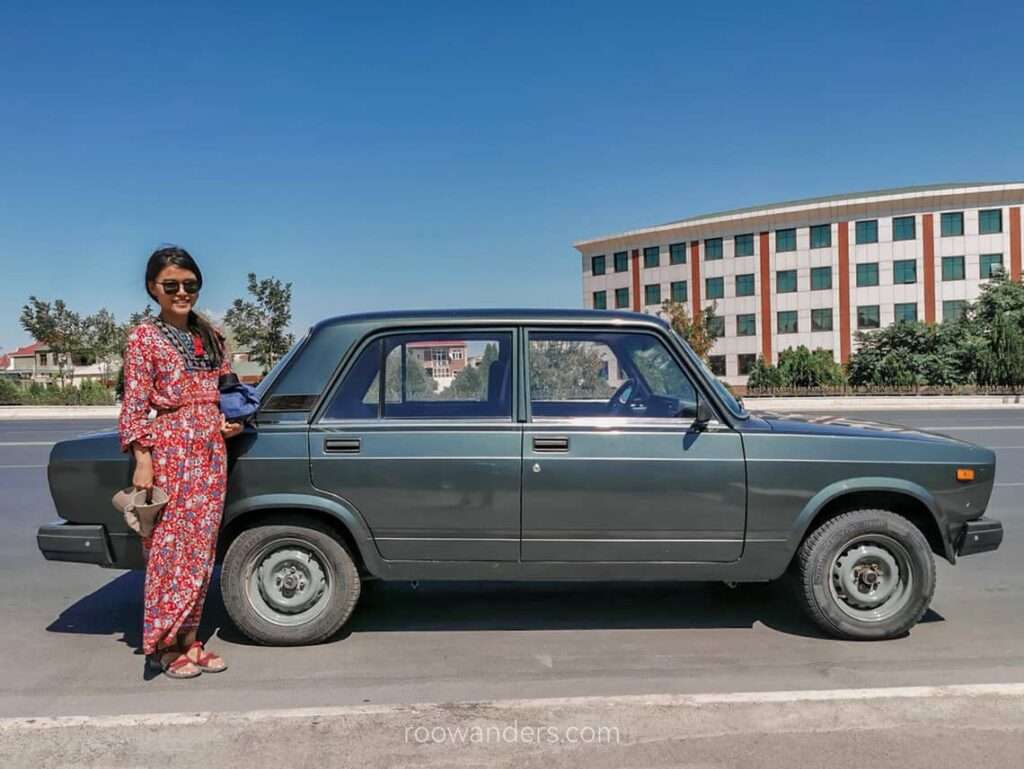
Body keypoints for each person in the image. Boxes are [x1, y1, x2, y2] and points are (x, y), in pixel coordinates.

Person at [118, 245, 245, 679]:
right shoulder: (144, 338)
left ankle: (191, 640)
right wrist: (142, 459)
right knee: (169, 550)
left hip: (210, 450)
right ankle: (162, 645)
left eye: (189, 284)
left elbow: (229, 392)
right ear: (153, 288)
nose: (181, 292)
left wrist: (233, 423)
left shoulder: (211, 335)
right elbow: (134, 404)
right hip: (171, 447)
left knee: (200, 550)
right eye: (170, 285)